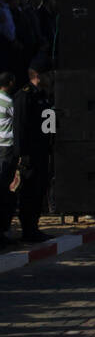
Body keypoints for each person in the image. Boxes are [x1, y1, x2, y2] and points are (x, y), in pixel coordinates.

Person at [12, 57, 55, 243]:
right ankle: (28, 229)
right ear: (37, 75)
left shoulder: (44, 95)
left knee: (40, 189)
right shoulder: (25, 96)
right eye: (48, 74)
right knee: (29, 191)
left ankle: (34, 226)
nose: (51, 77)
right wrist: (22, 155)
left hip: (43, 151)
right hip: (30, 153)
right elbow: (20, 128)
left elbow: (49, 124)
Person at [0, 71, 15, 244]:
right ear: (10, 83)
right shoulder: (9, 102)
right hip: (7, 149)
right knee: (6, 189)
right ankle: (3, 229)